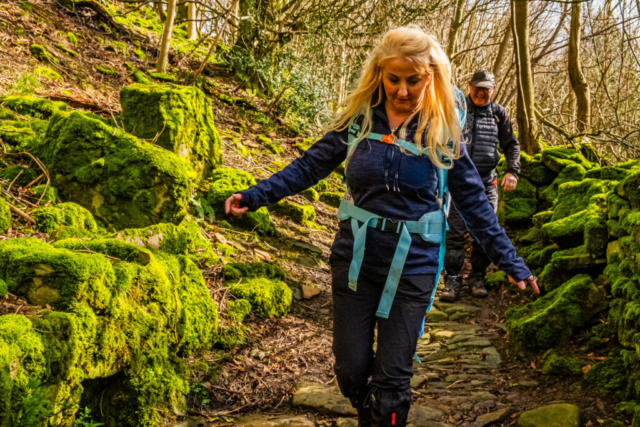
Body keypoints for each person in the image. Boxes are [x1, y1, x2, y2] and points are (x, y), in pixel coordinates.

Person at [225, 26, 538, 427]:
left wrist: (511, 262)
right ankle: (372, 413)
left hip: (415, 266)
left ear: (431, 77)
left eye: (413, 80)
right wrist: (256, 195)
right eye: (393, 79)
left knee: (392, 385)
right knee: (351, 371)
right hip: (355, 261)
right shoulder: (359, 120)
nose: (402, 91)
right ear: (379, 73)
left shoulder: (442, 131)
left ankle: (384, 415)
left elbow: (474, 201)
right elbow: (309, 166)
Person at [440, 69, 522, 303]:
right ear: (469, 86)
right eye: (477, 88)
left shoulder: (498, 114)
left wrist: (512, 171)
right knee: (454, 233)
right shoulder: (456, 111)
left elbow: (511, 145)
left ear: (492, 90)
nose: (481, 92)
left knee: (484, 233)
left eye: (485, 89)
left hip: (487, 182)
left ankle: (478, 277)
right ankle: (452, 280)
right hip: (456, 183)